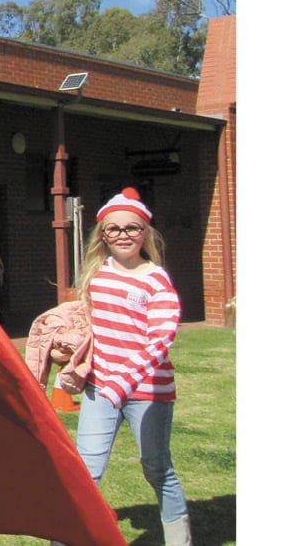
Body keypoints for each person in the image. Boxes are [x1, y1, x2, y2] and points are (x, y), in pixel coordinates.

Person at [72, 187, 191, 546]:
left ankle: (180, 539)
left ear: (145, 233)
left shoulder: (156, 280)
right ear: (103, 235)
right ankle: (67, 538)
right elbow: (88, 325)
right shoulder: (96, 274)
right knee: (85, 471)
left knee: (156, 467)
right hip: (100, 389)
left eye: (132, 228)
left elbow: (160, 340)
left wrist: (122, 381)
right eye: (114, 228)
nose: (122, 235)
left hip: (148, 392)